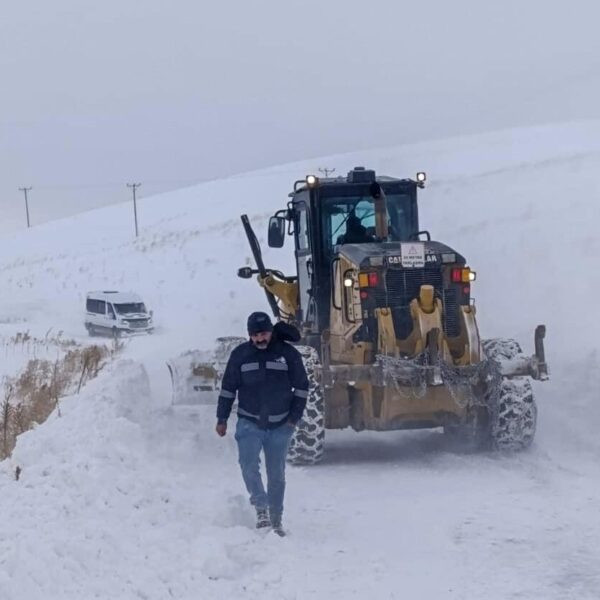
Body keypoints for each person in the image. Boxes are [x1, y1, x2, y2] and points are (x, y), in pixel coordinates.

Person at [215, 311, 309, 536]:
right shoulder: (240, 355)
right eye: (255, 336)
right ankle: (261, 508)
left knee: (276, 474)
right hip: (250, 423)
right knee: (248, 466)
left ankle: (276, 519)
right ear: (249, 336)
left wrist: (292, 419)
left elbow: (302, 387)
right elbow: (228, 389)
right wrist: (222, 418)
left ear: (271, 331)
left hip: (280, 426)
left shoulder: (287, 354)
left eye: (264, 334)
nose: (260, 340)